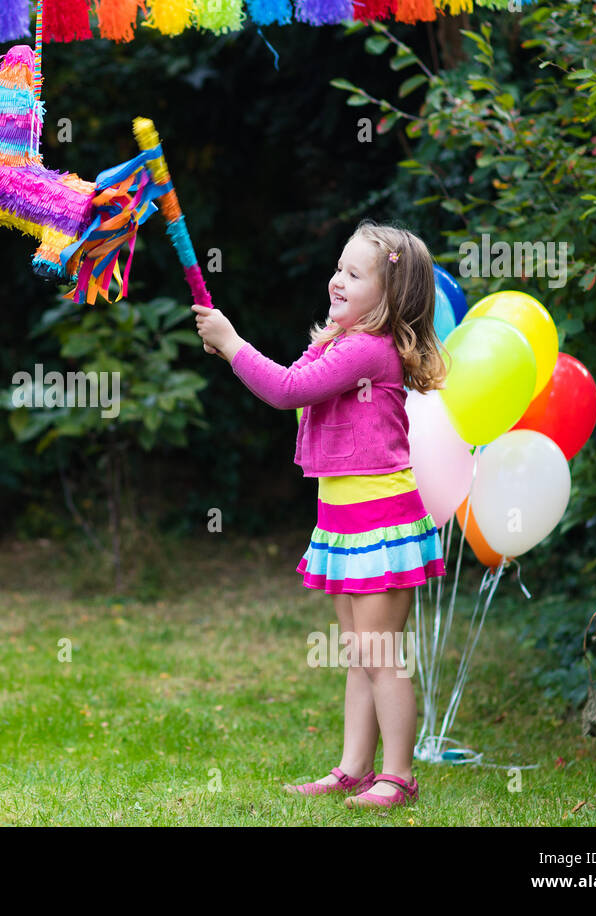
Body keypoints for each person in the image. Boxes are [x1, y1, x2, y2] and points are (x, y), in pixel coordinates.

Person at [192, 220, 448, 809]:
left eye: (354, 275)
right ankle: (353, 769)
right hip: (344, 520)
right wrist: (245, 345)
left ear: (390, 298)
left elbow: (285, 390)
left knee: (380, 656)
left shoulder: (367, 350)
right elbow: (298, 381)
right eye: (339, 267)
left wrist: (232, 343)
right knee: (360, 654)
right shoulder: (341, 341)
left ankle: (398, 777)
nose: (336, 280)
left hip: (381, 523)